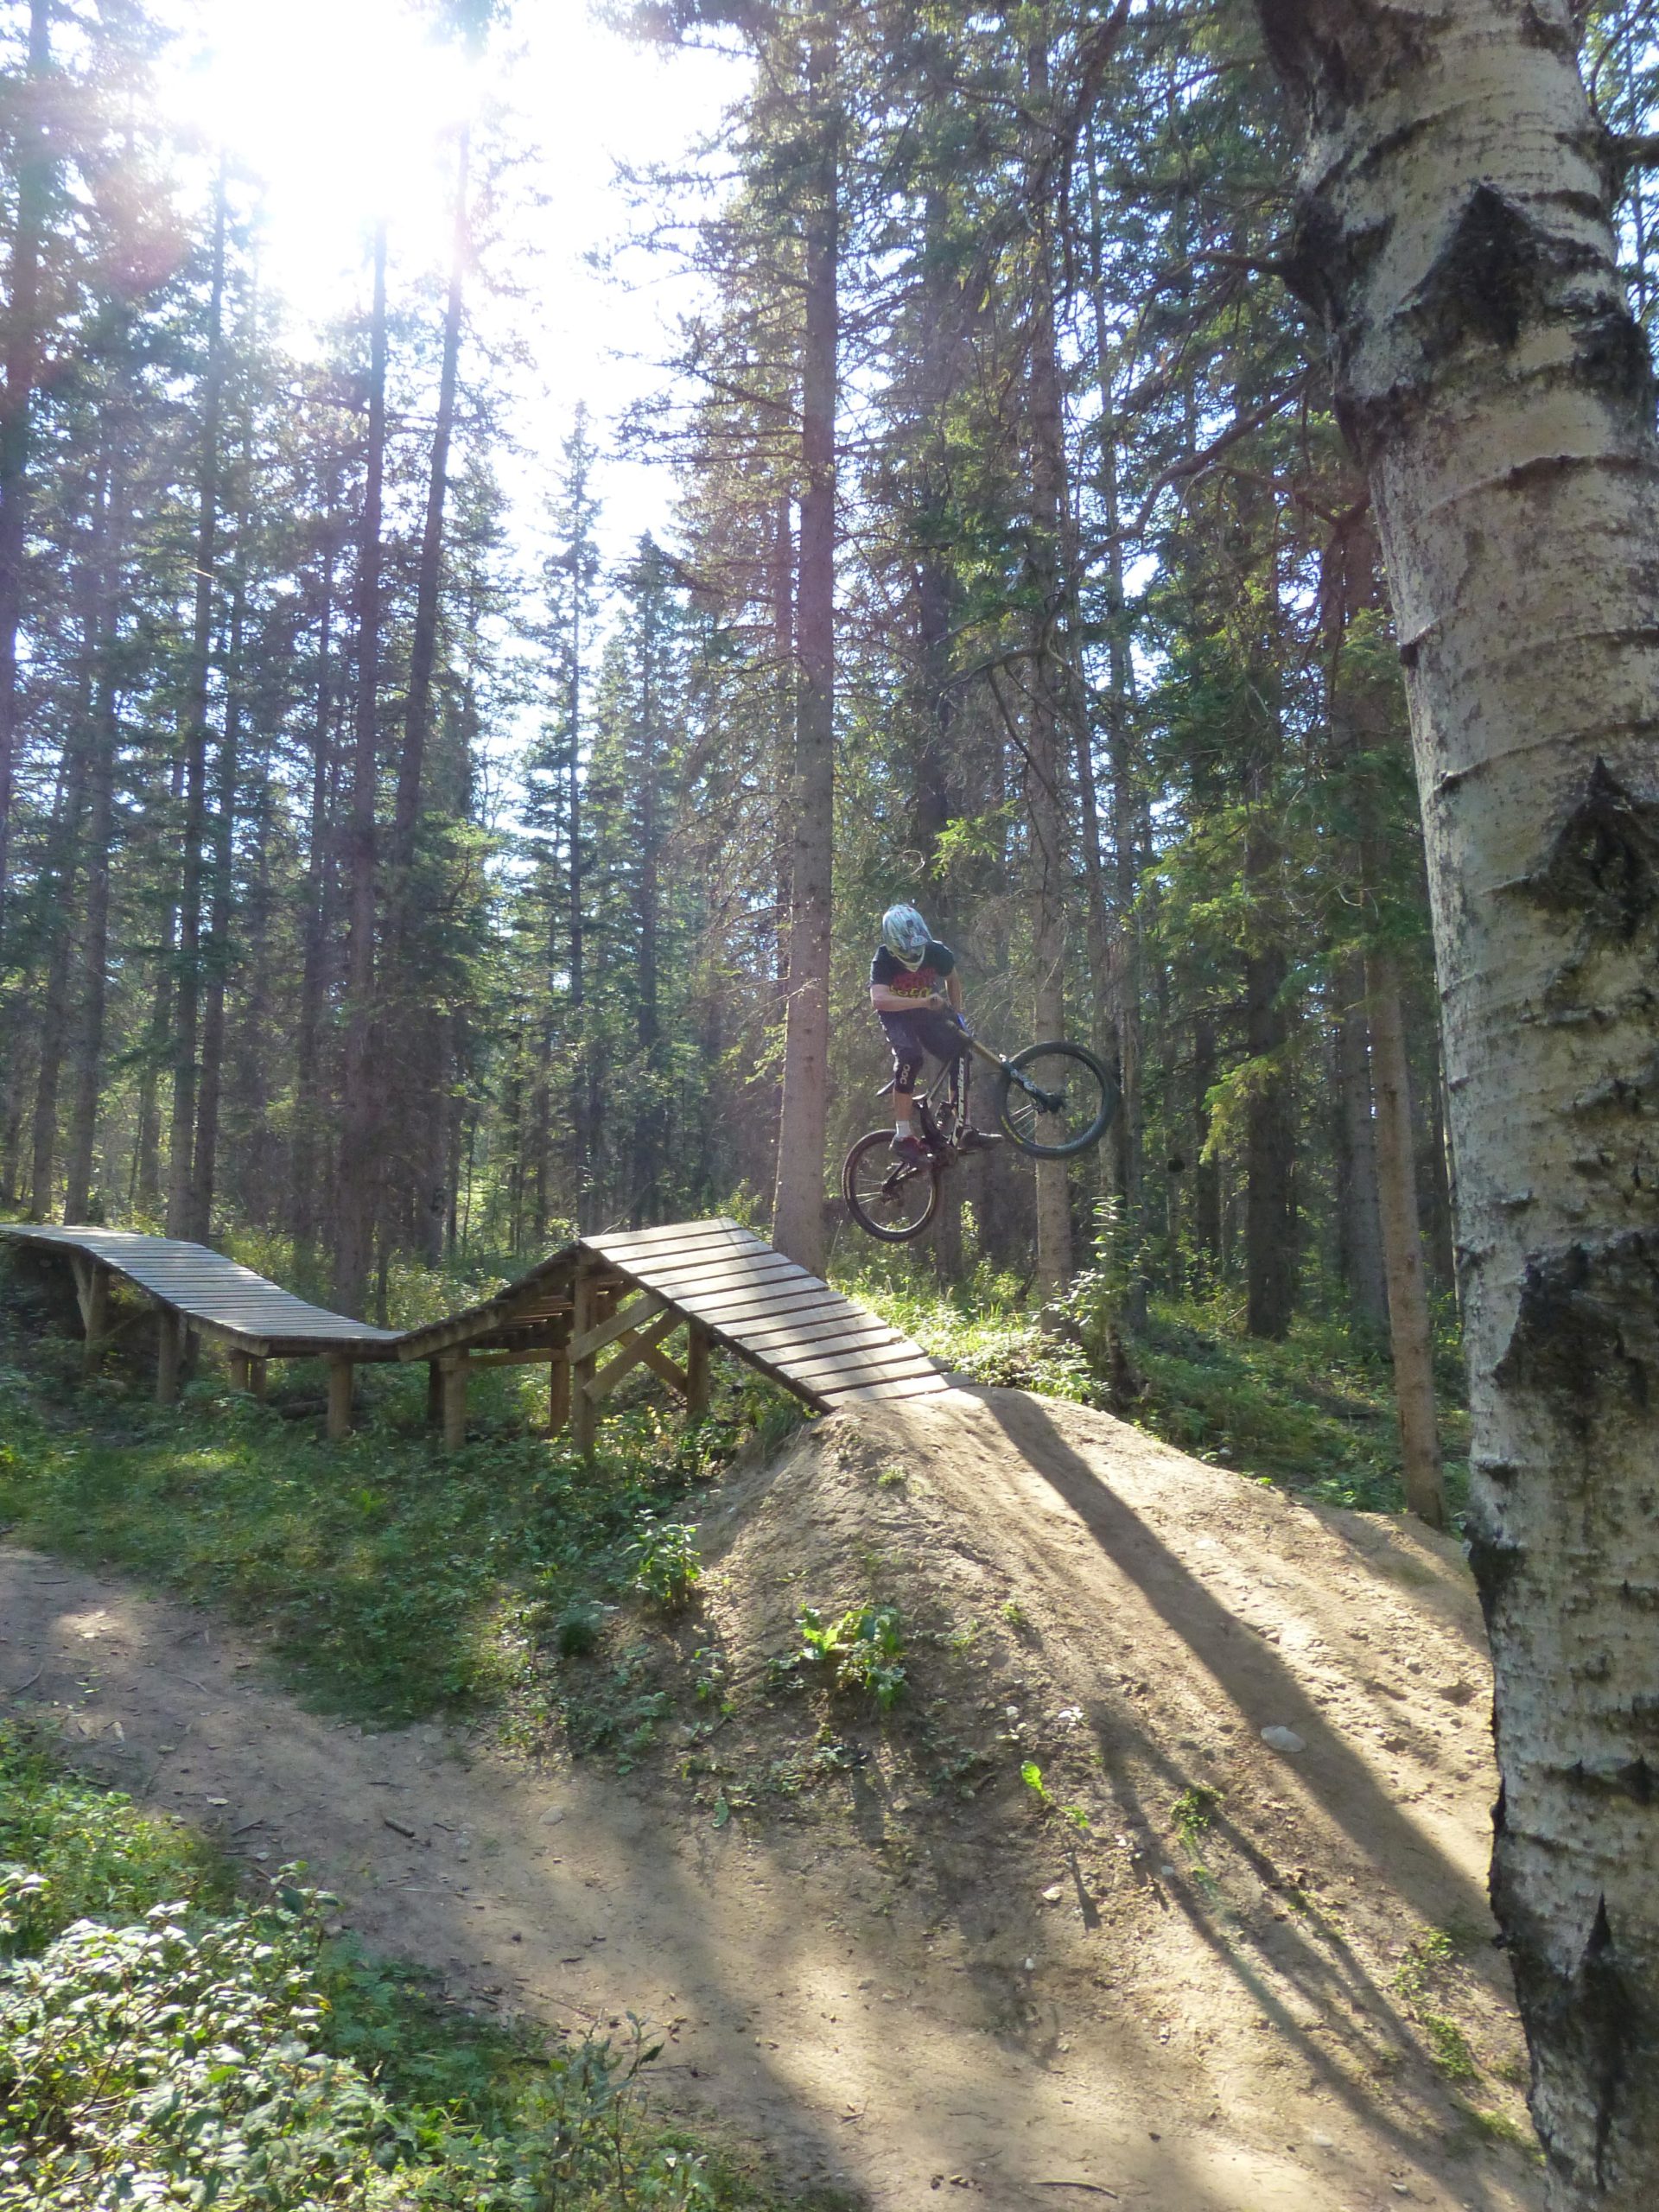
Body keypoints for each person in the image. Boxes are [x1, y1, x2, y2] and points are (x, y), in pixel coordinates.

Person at [869, 904, 1001, 1161]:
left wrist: (957, 1014)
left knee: (960, 1052)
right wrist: (921, 1001)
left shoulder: (936, 951)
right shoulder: (884, 958)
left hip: (927, 1012)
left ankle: (964, 1127)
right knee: (910, 1057)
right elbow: (879, 999)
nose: (915, 955)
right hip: (896, 1016)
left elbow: (953, 978)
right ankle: (902, 1136)